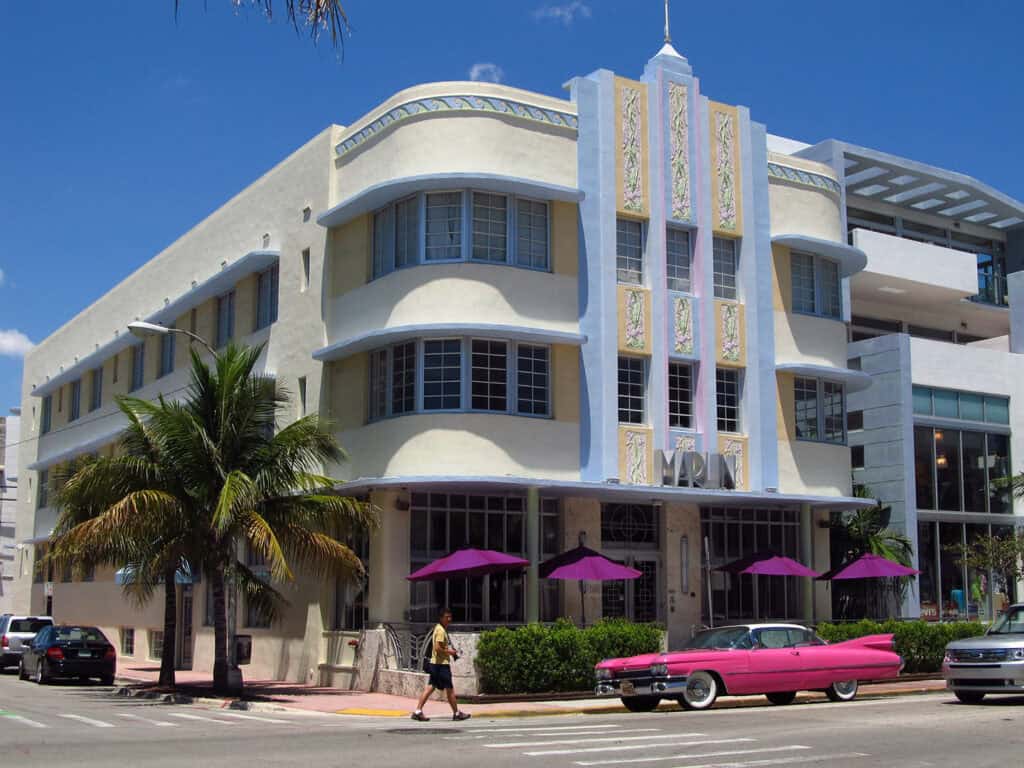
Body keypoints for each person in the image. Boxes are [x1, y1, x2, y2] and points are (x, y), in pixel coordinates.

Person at [411, 608, 470, 722]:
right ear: (441, 618)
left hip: (436, 664)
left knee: (431, 687)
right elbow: (437, 648)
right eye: (447, 617)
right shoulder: (440, 630)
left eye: (450, 617)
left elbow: (440, 647)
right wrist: (450, 652)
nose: (449, 619)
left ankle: (418, 711)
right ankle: (456, 713)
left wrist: (448, 650)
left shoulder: (439, 629)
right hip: (441, 665)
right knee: (450, 689)